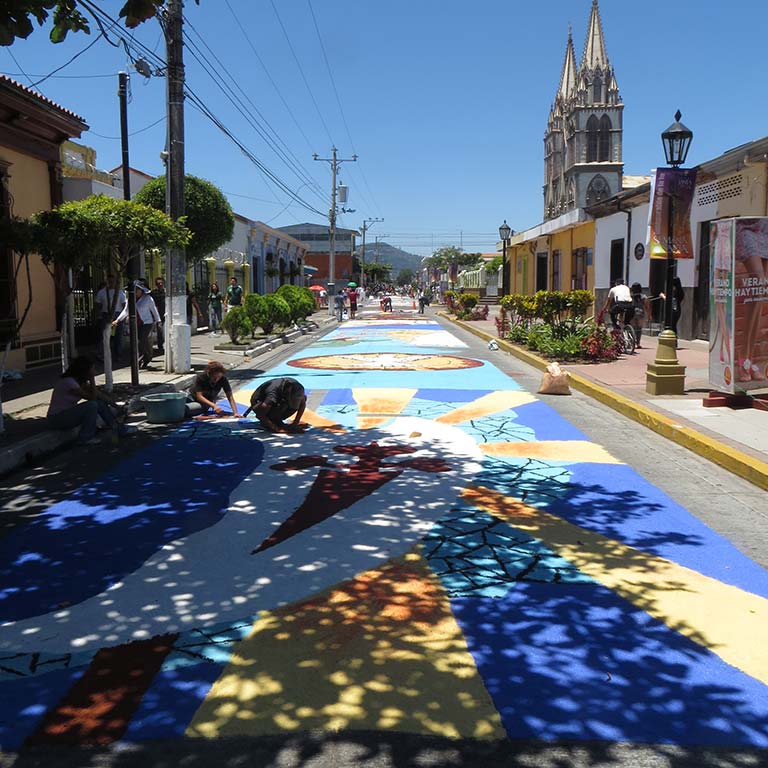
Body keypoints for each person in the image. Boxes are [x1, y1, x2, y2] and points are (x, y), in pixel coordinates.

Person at [46, 356, 137, 445]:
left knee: (99, 403)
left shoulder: (79, 382)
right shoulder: (69, 383)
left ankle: (118, 428)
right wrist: (92, 379)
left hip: (67, 415)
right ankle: (85, 437)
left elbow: (99, 395)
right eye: (92, 370)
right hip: (56, 419)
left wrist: (116, 406)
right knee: (92, 405)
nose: (94, 372)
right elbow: (92, 398)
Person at [113, 281, 161, 369]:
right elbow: (125, 311)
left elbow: (154, 310)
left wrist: (158, 321)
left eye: (137, 290)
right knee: (137, 342)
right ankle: (145, 357)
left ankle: (144, 357)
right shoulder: (130, 299)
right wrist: (117, 320)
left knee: (142, 340)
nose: (135, 292)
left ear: (141, 290)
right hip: (135, 323)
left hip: (147, 323)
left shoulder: (148, 298)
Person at [243, 377, 307, 433]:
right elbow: (260, 414)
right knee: (273, 407)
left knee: (295, 402)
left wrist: (295, 422)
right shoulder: (273, 394)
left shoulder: (298, 389)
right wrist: (277, 429)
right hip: (259, 404)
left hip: (278, 399)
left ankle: (276, 420)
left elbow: (302, 404)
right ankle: (271, 421)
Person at [95, 274, 126, 363]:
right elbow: (98, 304)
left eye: (112, 281)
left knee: (118, 336)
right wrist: (98, 315)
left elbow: (124, 305)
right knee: (104, 335)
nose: (111, 283)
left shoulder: (120, 293)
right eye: (109, 281)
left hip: (117, 315)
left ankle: (118, 355)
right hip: (106, 315)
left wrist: (123, 317)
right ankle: (101, 354)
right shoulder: (102, 292)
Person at [629, 282, 651, 348]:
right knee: (639, 328)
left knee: (632, 327)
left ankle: (631, 342)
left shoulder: (630, 296)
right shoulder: (643, 296)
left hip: (631, 313)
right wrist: (649, 315)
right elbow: (647, 306)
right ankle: (638, 343)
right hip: (640, 313)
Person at [151, 277, 166, 355]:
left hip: (166, 314)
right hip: (158, 315)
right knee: (160, 332)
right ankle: (160, 347)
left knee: (166, 332)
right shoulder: (154, 293)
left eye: (161, 283)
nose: (160, 284)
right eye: (158, 283)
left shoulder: (167, 292)